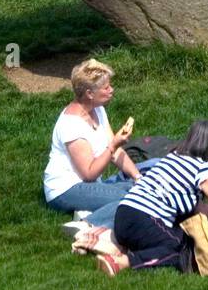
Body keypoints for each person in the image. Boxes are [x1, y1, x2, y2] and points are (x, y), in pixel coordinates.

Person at [78, 120, 208, 276]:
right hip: (145, 220)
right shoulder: (203, 168)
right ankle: (122, 262)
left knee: (177, 235)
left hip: (124, 216)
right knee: (180, 250)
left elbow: (199, 210)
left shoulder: (174, 158)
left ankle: (114, 243)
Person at [43, 59, 139, 228]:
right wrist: (113, 145)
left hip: (90, 185)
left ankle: (91, 211)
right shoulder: (71, 125)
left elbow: (116, 153)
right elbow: (89, 173)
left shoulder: (98, 109)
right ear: (89, 93)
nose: (111, 90)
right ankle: (86, 225)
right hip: (66, 189)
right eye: (106, 87)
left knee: (140, 188)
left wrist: (138, 177)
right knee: (132, 200)